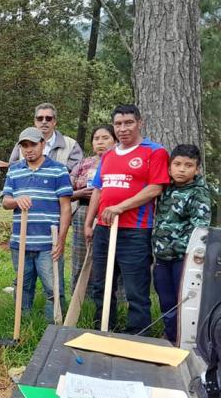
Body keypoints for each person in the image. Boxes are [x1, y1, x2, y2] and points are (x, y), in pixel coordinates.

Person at [85, 104, 171, 335]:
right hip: (104, 229)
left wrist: (120, 207)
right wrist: (89, 223)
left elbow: (155, 188)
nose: (123, 129)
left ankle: (137, 335)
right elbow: (98, 190)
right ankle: (103, 329)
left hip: (135, 231)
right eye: (118, 124)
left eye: (128, 123)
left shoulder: (154, 152)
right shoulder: (109, 154)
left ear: (139, 123)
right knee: (101, 285)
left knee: (136, 289)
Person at [2, 127, 72, 323]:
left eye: (33, 144)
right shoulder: (14, 170)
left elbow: (66, 207)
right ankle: (23, 326)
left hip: (48, 243)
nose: (29, 149)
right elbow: (6, 202)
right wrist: (16, 200)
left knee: (53, 288)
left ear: (42, 144)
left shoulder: (58, 170)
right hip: (21, 242)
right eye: (24, 146)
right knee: (22, 286)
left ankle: (54, 328)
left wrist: (61, 240)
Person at [152, 144, 211, 344]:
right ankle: (170, 337)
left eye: (188, 165)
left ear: (197, 169)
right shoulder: (165, 189)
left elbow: (200, 229)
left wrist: (181, 248)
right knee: (166, 299)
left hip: (183, 259)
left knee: (184, 300)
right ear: (169, 168)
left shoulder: (198, 193)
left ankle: (185, 341)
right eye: (177, 164)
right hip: (162, 256)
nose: (182, 169)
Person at [69, 125, 117, 292]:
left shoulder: (120, 162)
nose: (100, 142)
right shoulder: (83, 163)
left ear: (115, 141)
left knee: (111, 256)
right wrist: (80, 193)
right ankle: (80, 295)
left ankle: (112, 296)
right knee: (81, 255)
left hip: (112, 214)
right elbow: (66, 191)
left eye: (105, 138)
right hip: (84, 212)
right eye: (96, 139)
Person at [8, 103, 83, 171]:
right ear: (35, 121)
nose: (44, 121)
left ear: (54, 121)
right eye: (40, 118)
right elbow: (12, 168)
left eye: (48, 118)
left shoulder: (71, 144)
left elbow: (77, 172)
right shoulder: (22, 144)